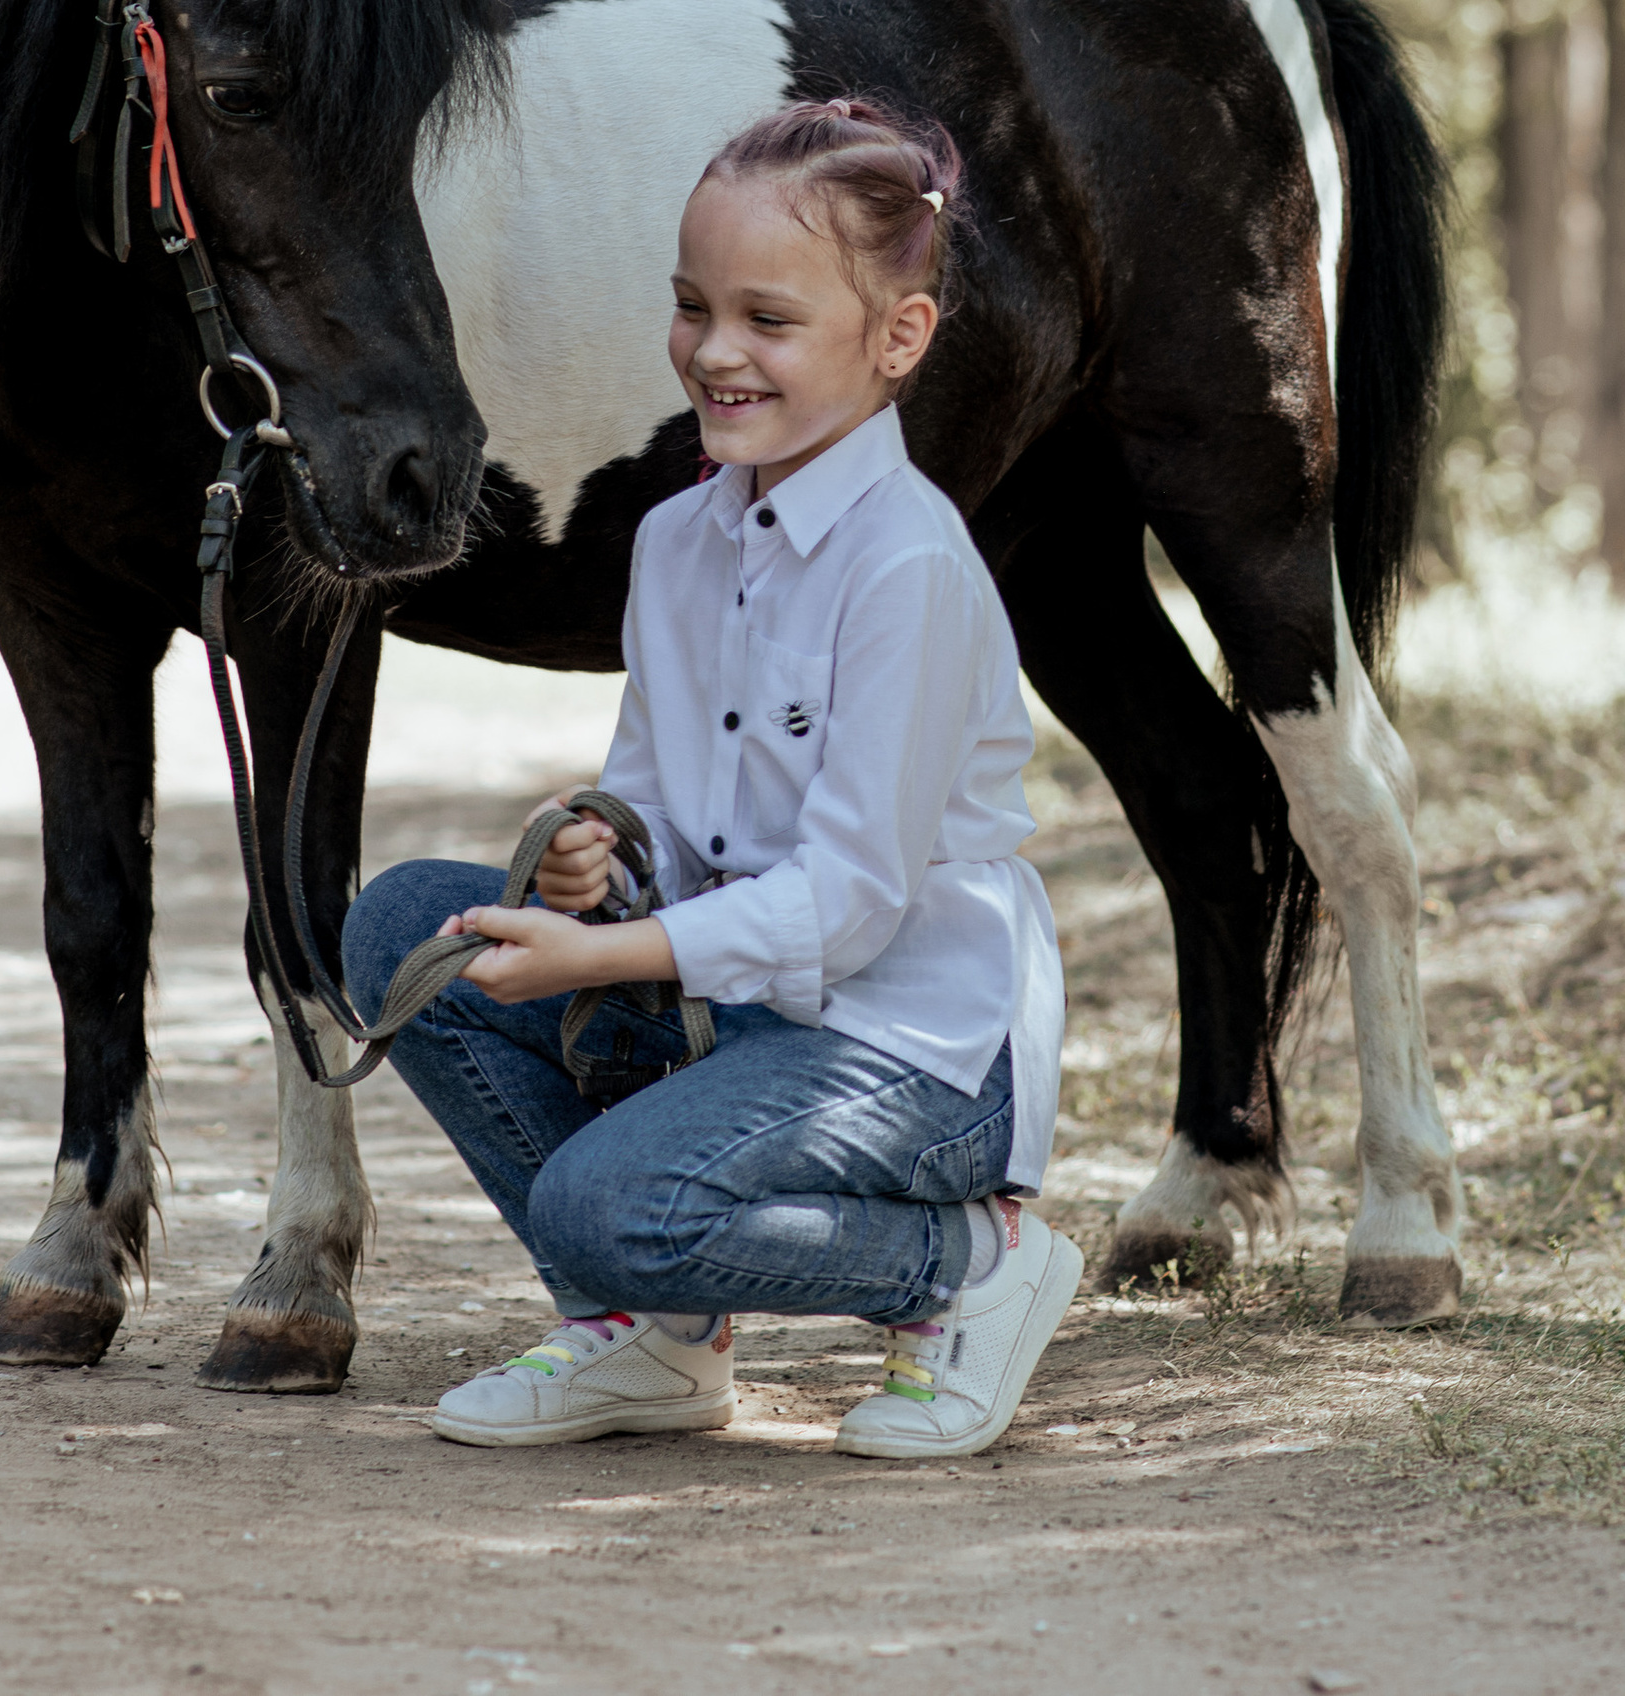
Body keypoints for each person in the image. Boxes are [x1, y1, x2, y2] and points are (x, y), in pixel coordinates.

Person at [343, 96, 1079, 1458]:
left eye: (769, 320)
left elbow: (849, 906)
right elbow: (664, 812)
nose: (716, 351)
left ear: (900, 337)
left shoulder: (909, 569)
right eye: (693, 307)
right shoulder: (678, 541)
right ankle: (657, 1339)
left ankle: (970, 1265)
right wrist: (598, 852)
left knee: (604, 1207)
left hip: (907, 1053)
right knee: (402, 928)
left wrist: (598, 958)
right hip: (732, 1012)